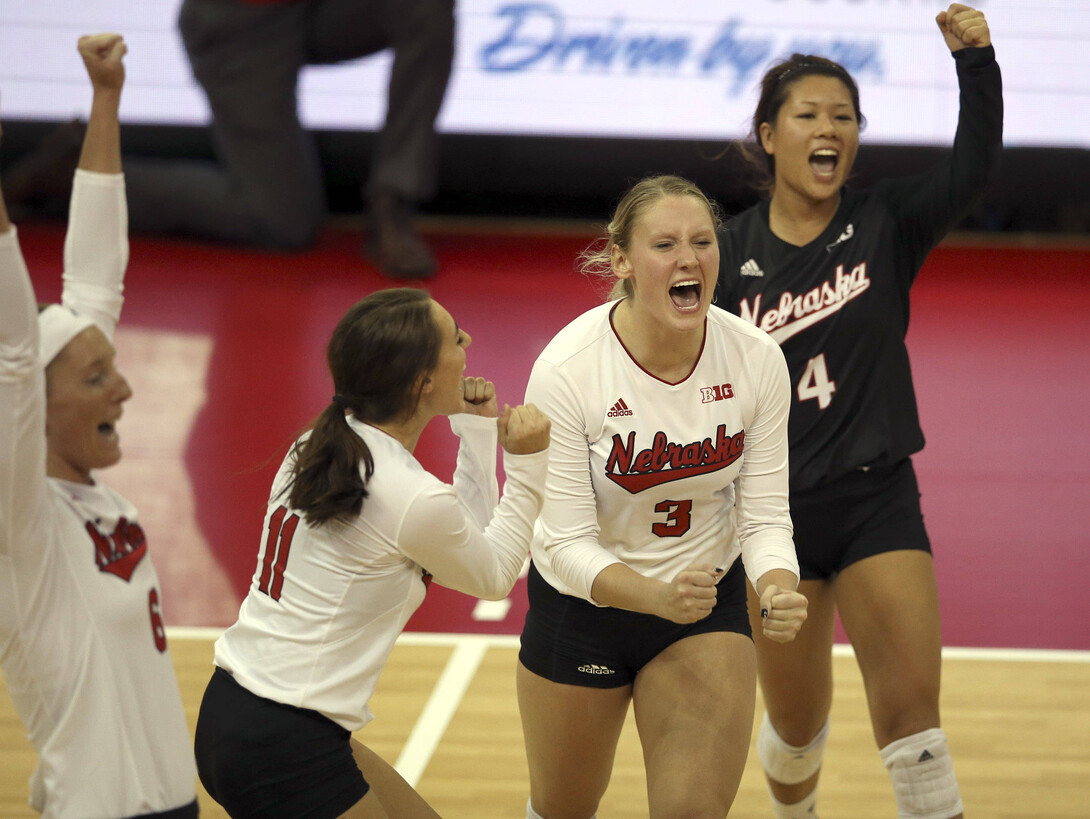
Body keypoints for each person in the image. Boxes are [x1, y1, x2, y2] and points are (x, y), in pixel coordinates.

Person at [711, 5, 1002, 819]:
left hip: (878, 498)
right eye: (808, 114)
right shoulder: (727, 254)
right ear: (770, 135)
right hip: (773, 517)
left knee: (915, 730)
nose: (828, 127)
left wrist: (977, 63)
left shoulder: (887, 224)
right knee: (797, 730)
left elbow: (973, 171)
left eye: (844, 116)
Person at [193, 287, 550, 817]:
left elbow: (460, 539)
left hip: (242, 712)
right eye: (455, 338)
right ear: (422, 381)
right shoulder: (407, 495)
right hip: (283, 742)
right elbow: (494, 574)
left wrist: (475, 431)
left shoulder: (318, 444)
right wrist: (526, 466)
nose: (468, 341)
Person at [516, 174, 808, 818]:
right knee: (562, 808)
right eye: (666, 244)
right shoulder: (568, 368)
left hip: (704, 604)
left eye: (702, 243)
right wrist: (654, 597)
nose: (688, 260)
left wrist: (779, 584)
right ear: (621, 260)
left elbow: (763, 516)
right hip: (584, 611)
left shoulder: (756, 358)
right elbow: (562, 543)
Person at [0, 35, 200, 819]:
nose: (123, 386)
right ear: (30, 415)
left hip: (173, 804)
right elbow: (17, 353)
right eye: (94, 379)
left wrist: (107, 99)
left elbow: (94, 277)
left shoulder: (102, 503)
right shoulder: (24, 522)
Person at [6, 0, 454, 280]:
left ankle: (392, 202)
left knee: (425, 6)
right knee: (283, 223)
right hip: (238, 23)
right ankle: (81, 173)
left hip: (313, 10)